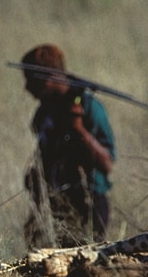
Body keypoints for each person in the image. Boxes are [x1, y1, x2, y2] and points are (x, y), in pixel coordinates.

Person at [21, 44, 116, 248]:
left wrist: (79, 130)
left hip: (89, 203)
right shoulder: (44, 112)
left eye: (31, 79)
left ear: (48, 78)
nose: (26, 87)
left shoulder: (89, 107)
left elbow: (107, 163)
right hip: (57, 204)